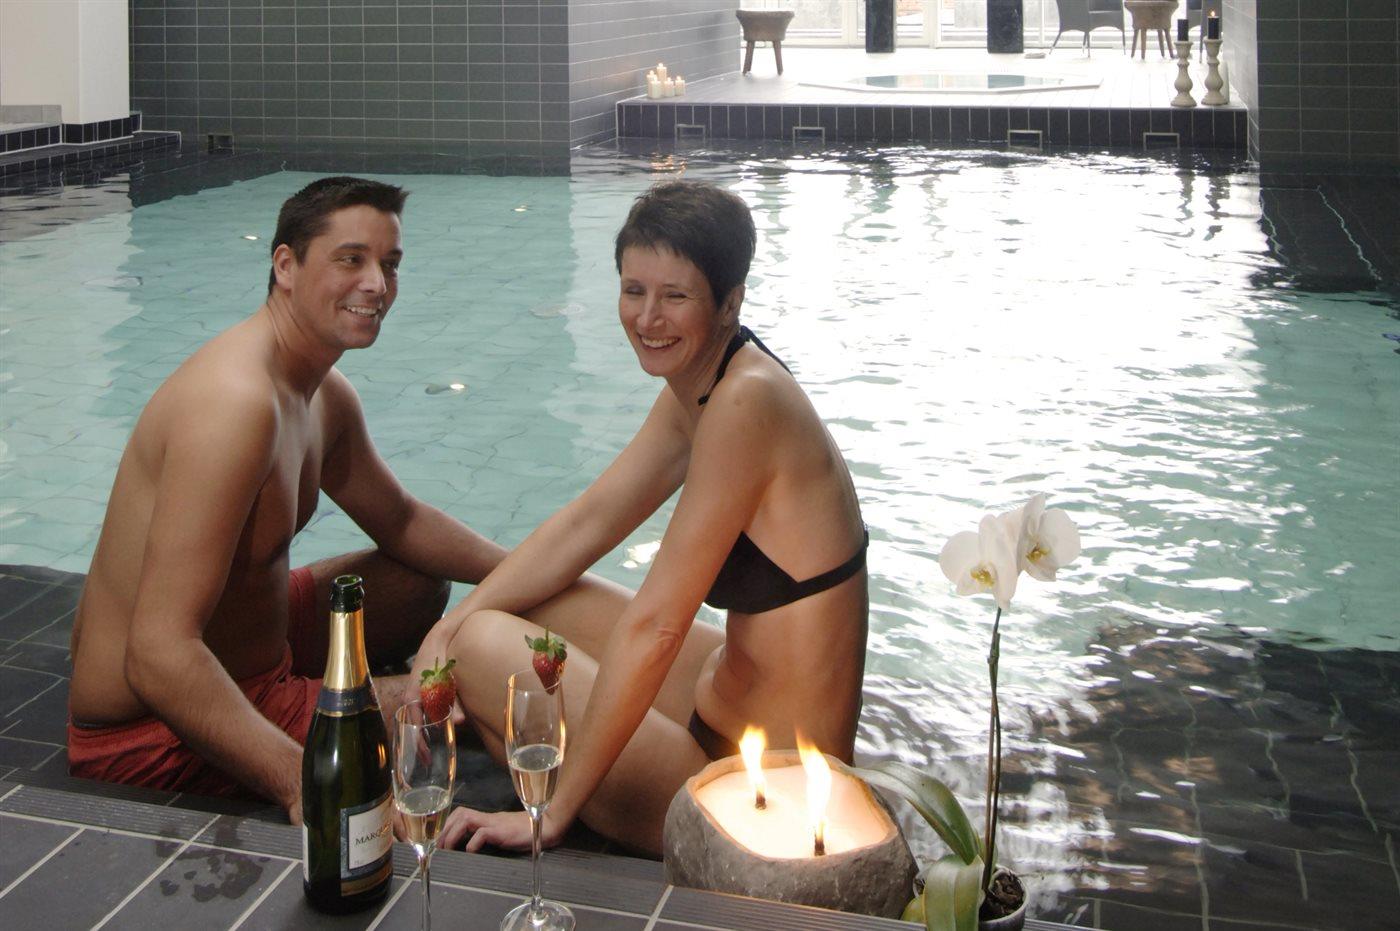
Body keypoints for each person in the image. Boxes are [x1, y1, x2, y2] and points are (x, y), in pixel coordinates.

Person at [418, 180, 869, 855]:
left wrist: (552, 814)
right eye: (634, 290)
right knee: (525, 602)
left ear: (730, 302)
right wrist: (443, 626)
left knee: (483, 645)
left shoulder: (746, 404)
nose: (648, 318)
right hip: (723, 703)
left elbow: (658, 626)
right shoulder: (709, 381)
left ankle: (566, 793)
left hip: (767, 789)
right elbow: (588, 521)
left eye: (675, 296)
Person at [67, 177, 506, 823]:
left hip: (256, 641)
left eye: (389, 264)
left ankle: (319, 686)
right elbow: (157, 654)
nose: (376, 285)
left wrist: (533, 571)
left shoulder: (321, 393)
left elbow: (403, 521)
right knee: (470, 690)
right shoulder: (235, 406)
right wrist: (303, 783)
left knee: (417, 582)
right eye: (350, 259)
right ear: (285, 266)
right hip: (150, 730)